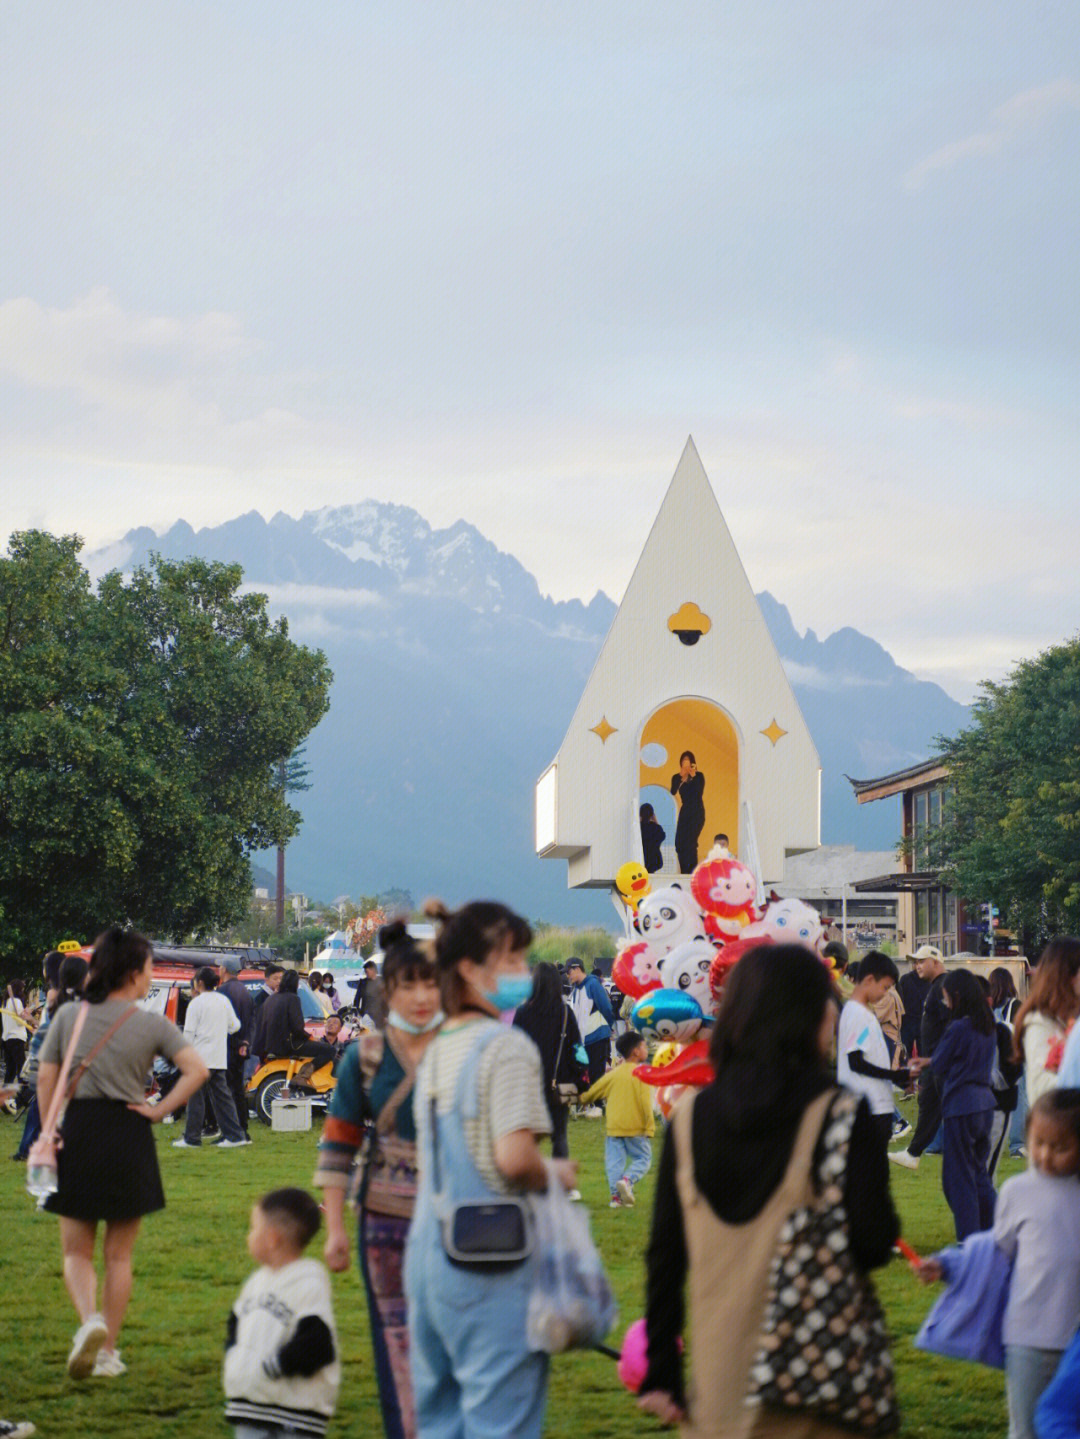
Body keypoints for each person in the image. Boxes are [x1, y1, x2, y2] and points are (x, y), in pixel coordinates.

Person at [639, 943, 899, 1434]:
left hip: (718, 1392)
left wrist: (661, 1371)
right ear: (808, 1015)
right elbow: (873, 1240)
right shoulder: (843, 1115)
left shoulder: (689, 1119)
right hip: (821, 1389)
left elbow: (665, 1257)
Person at [404, 898, 577, 1439]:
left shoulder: (436, 1046)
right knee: (501, 1422)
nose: (525, 975)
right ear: (469, 970)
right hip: (489, 1261)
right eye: (515, 961)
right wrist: (558, 1175)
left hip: (428, 1257)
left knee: (440, 1422)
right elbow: (514, 1159)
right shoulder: (505, 1047)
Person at [37, 927, 208, 1379]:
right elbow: (196, 1070)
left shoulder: (68, 1015)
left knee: (76, 1251)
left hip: (78, 1132)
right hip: (130, 1133)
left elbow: (45, 1079)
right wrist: (157, 1111)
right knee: (119, 1255)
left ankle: (89, 1321)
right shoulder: (150, 1021)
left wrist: (51, 1128)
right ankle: (108, 1351)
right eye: (150, 967)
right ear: (134, 973)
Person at [316, 923, 443, 1439]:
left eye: (430, 984)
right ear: (388, 992)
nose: (420, 996)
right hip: (384, 1220)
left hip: (460, 1220)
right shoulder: (365, 1056)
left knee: (455, 1340)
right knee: (397, 1340)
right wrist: (335, 1230)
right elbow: (338, 1143)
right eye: (407, 985)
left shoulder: (469, 1049)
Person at [918, 1089, 1080, 1439]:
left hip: (1075, 1344)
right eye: (1038, 1142)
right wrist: (946, 1264)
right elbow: (991, 1254)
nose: (1045, 1155)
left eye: (1060, 1146)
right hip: (1027, 1340)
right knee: (1026, 1430)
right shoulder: (1017, 1192)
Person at [224, 1187, 340, 1439]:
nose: (249, 1236)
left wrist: (274, 1367)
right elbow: (235, 1324)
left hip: (293, 1414)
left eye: (254, 1228)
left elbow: (319, 1343)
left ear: (272, 1237)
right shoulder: (256, 1283)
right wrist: (235, 1358)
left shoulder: (309, 1284)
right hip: (250, 1405)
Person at [912, 968, 997, 1241]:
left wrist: (920, 1064)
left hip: (961, 1105)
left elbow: (940, 1062)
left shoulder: (958, 1027)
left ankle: (969, 1239)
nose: (945, 1002)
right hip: (984, 1105)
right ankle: (993, 1231)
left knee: (958, 1179)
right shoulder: (987, 1023)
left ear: (957, 995)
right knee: (979, 1174)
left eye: (946, 997)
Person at [513, 961, 587, 1163]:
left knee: (527, 1136)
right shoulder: (565, 1013)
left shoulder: (522, 1013)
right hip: (560, 1084)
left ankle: (527, 1182)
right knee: (560, 1135)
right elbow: (578, 1050)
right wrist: (580, 1075)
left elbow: (514, 1050)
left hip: (529, 1084)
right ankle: (561, 1186)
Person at [14, 953, 86, 1162]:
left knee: (43, 1107)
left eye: (45, 965)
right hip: (55, 1057)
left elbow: (53, 1030)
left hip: (53, 1059)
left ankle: (30, 1148)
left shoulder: (56, 994)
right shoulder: (61, 994)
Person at [837, 951, 910, 1152]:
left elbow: (869, 1060)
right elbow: (856, 1062)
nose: (885, 993)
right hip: (866, 1108)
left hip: (876, 1108)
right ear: (869, 979)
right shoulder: (856, 1013)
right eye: (885, 987)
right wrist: (894, 1075)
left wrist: (898, 1079)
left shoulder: (864, 1013)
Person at [173, 967, 249, 1150]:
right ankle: (235, 1135)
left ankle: (192, 1138)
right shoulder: (223, 1001)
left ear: (199, 983)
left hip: (199, 1058)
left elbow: (189, 1034)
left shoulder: (196, 1004)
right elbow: (235, 1026)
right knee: (223, 1099)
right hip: (218, 1058)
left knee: (196, 1100)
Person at [578, 1029, 655, 1208]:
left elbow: (594, 1092)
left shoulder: (614, 1074)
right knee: (643, 1158)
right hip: (635, 1127)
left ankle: (616, 1199)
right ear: (636, 1051)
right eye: (644, 1046)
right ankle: (628, 1181)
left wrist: (581, 1098)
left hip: (614, 1127)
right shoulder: (642, 1073)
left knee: (614, 1163)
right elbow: (645, 1103)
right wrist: (649, 1127)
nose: (646, 1049)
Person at [891, 944, 949, 1170]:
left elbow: (952, 1026)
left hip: (940, 1063)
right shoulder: (935, 987)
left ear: (936, 961)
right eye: (915, 961)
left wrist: (939, 1059)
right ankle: (913, 1152)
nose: (917, 966)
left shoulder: (943, 986)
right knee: (927, 1104)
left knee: (951, 1108)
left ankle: (965, 1151)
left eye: (921, 961)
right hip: (933, 1062)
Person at [1014, 936, 1080, 1105]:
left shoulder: (1071, 1017)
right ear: (1067, 975)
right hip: (1059, 1126)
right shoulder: (1039, 1021)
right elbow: (1040, 1088)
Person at [254, 970, 336, 1071]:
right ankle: (304, 1074)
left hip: (269, 1047)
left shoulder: (271, 998)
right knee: (329, 1050)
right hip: (288, 1046)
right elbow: (297, 1028)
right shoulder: (293, 999)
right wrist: (310, 1037)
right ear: (295, 984)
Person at [566, 957, 615, 1102]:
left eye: (569, 972)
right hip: (584, 1039)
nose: (568, 976)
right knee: (588, 1073)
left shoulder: (593, 984)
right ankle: (592, 1103)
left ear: (577, 968)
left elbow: (606, 1008)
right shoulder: (576, 990)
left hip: (597, 1035)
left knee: (596, 1073)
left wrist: (608, 1027)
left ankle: (599, 1106)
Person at [990, 967, 1027, 1157]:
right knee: (1019, 1098)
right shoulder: (1016, 1005)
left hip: (993, 1058)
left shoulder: (989, 1006)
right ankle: (1018, 1144)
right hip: (1015, 1056)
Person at [218, 961, 255, 1139]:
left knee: (227, 1091)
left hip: (228, 1046)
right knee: (237, 1089)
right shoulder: (244, 991)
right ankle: (242, 1127)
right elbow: (250, 1021)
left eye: (220, 967)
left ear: (224, 969)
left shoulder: (223, 991)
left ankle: (231, 1130)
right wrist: (246, 1043)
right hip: (242, 1046)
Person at [670, 751, 705, 874]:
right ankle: (684, 872)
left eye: (688, 760)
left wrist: (693, 775)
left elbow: (699, 792)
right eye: (684, 760)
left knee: (690, 842)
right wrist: (681, 776)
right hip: (685, 811)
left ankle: (692, 874)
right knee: (679, 843)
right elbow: (673, 791)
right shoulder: (677, 777)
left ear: (693, 762)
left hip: (697, 811)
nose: (686, 762)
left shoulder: (699, 776)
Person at [2, 979, 31, 1084]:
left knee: (11, 1070)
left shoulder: (5, 1003)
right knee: (21, 1070)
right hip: (16, 1038)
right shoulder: (16, 1001)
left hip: (6, 1040)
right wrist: (27, 1014)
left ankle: (4, 1098)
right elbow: (20, 1021)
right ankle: (23, 1097)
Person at [360, 959, 389, 1030]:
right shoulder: (363, 983)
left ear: (373, 970)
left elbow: (386, 1000)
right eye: (365, 972)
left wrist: (386, 1015)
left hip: (379, 1015)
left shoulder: (381, 982)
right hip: (367, 1015)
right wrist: (359, 1013)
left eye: (367, 972)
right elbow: (357, 998)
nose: (366, 974)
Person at [640, 803, 666, 874]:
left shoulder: (638, 828)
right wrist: (656, 821)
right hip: (655, 860)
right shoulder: (656, 828)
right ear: (652, 815)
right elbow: (662, 836)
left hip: (642, 859)